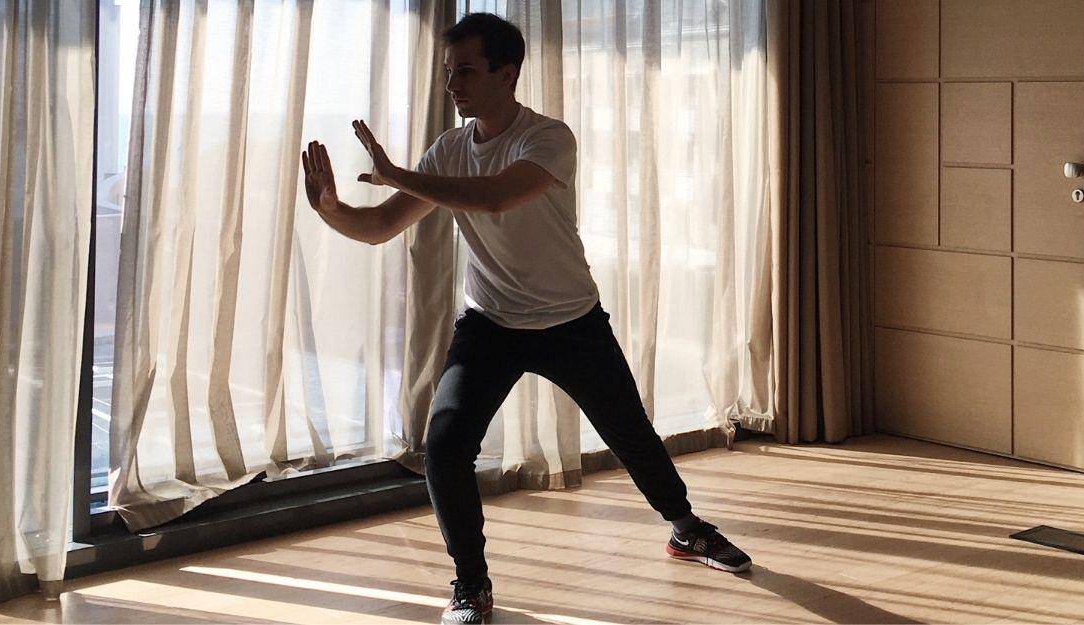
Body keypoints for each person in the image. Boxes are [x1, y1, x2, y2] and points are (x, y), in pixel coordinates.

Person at [300, 13, 751, 625]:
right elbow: (380, 225)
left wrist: (400, 175)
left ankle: (686, 528)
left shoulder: (548, 138)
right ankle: (470, 585)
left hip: (571, 322)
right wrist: (330, 209)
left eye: (465, 71)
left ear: (506, 73)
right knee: (445, 448)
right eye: (448, 72)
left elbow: (495, 197)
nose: (453, 85)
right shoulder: (450, 150)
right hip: (489, 326)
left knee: (631, 435)